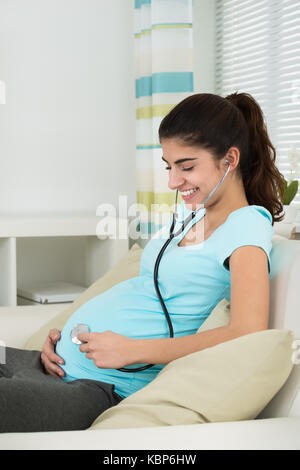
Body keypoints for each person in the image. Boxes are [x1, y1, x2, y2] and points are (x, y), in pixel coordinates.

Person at [1, 92, 285, 433]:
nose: (173, 181)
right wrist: (63, 338)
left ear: (230, 160)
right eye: (169, 166)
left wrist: (132, 350)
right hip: (54, 363)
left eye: (187, 166)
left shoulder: (247, 224)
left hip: (97, 388)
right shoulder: (192, 216)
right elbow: (148, 292)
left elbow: (247, 330)